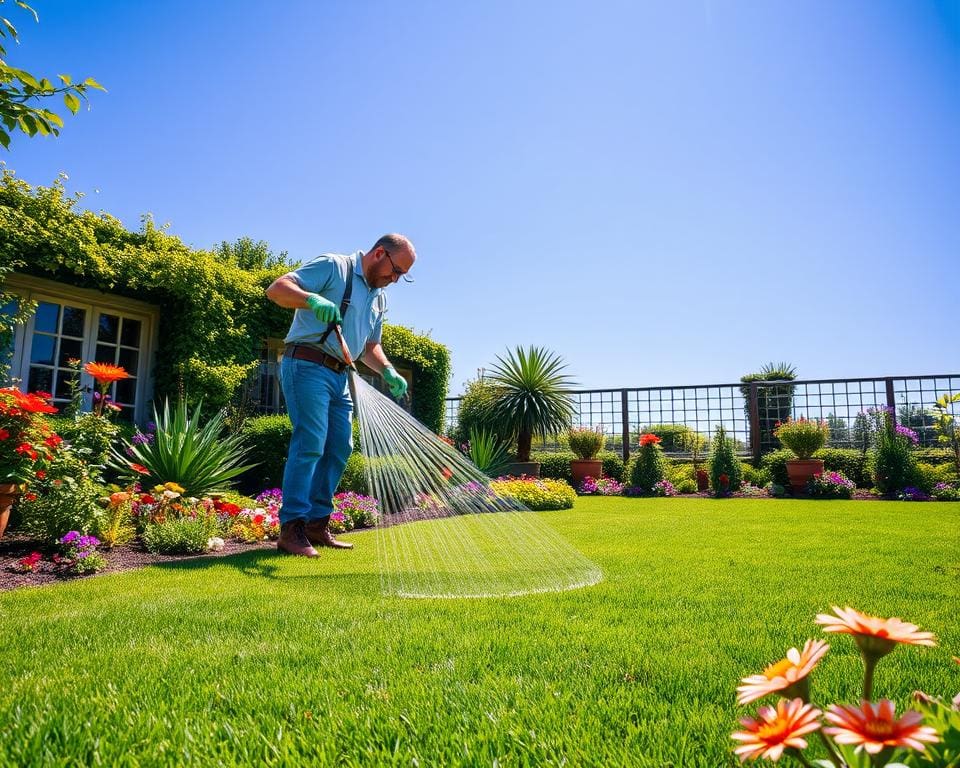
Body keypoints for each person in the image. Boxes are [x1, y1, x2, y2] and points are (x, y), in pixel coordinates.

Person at [265, 233, 415, 557]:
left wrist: (388, 369)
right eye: (396, 271)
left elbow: (370, 346)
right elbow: (277, 289)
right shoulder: (335, 267)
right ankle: (291, 528)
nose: (395, 279)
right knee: (311, 442)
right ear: (379, 254)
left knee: (340, 448)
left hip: (340, 374)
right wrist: (311, 300)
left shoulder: (379, 298)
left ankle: (317, 525)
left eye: (402, 275)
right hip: (306, 364)